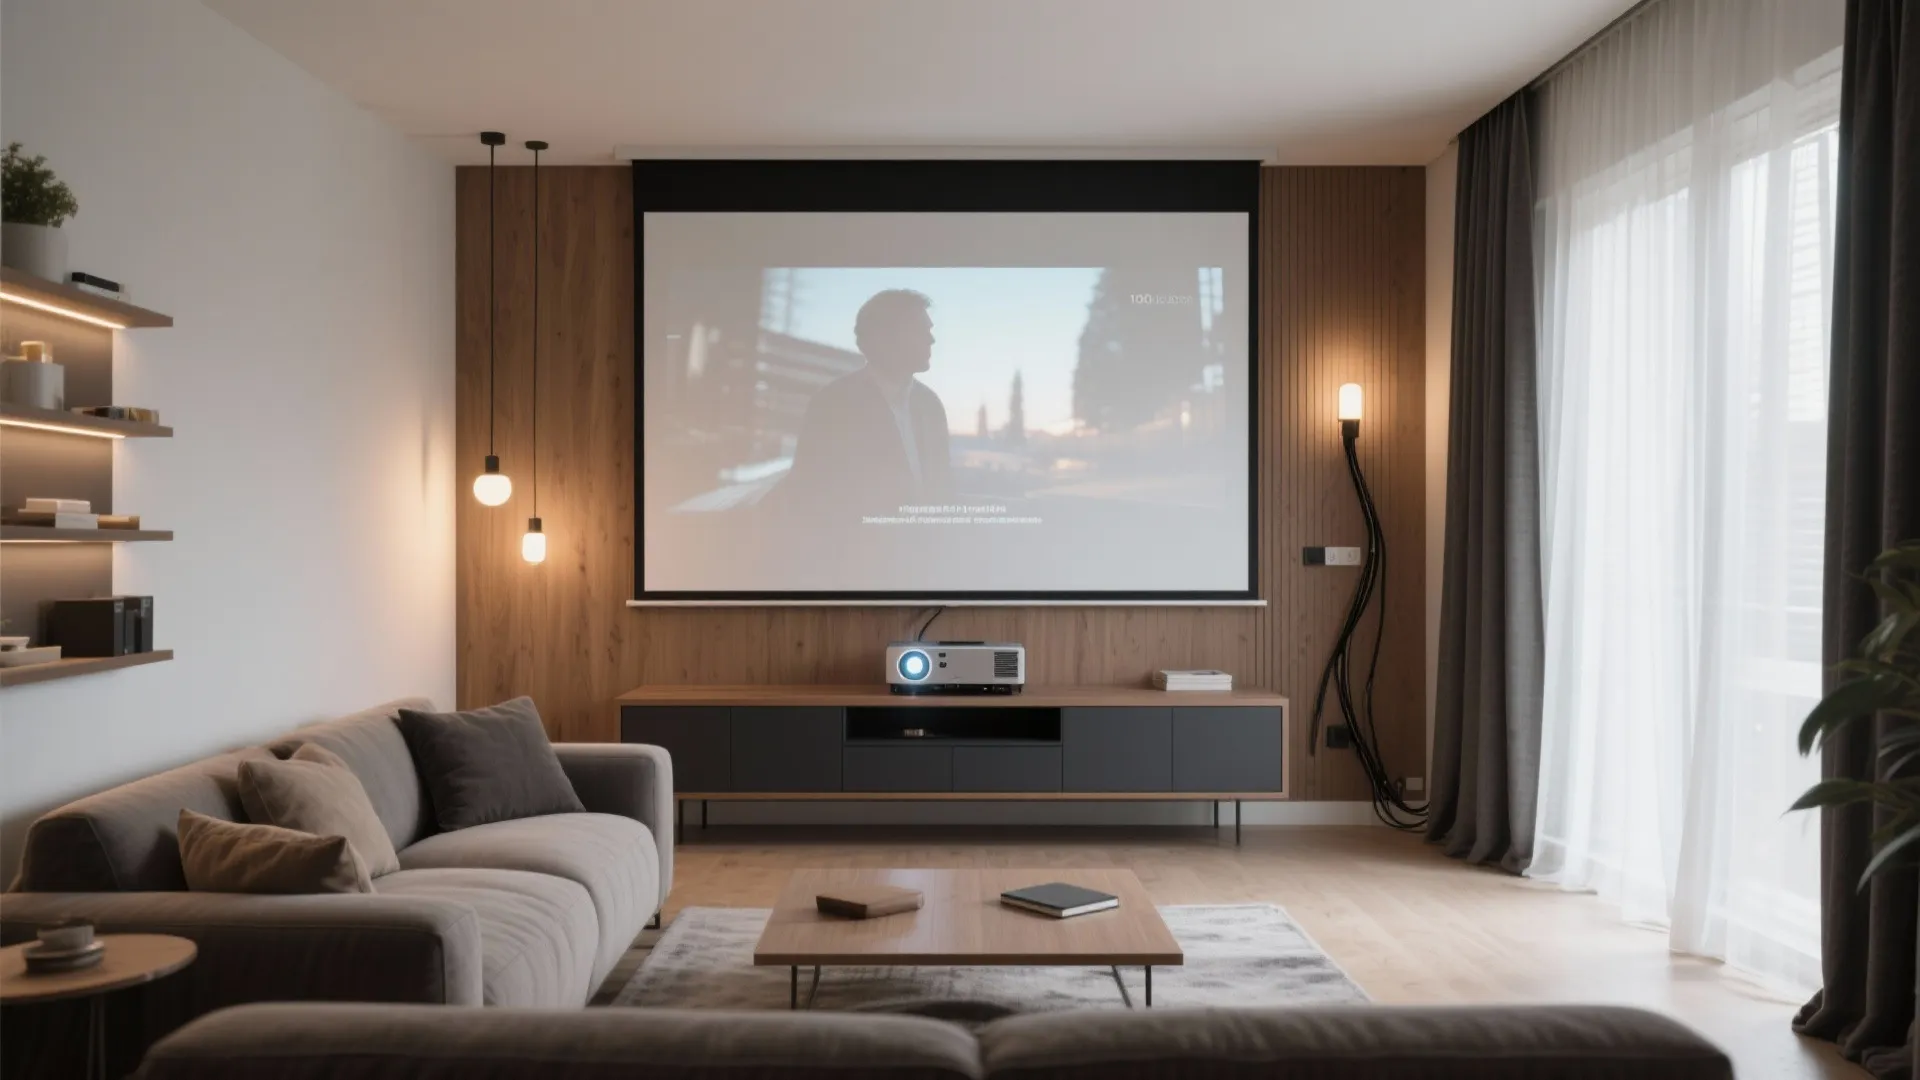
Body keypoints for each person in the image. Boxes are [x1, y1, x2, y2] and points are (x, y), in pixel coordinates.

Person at [781, 289, 954, 518]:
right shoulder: (833, 405)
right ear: (885, 338)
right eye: (920, 330)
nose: (931, 339)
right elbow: (809, 497)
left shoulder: (931, 406)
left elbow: (942, 491)